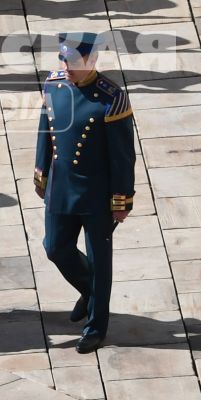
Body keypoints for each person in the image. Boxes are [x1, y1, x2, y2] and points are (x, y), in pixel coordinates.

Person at [33, 33, 138, 353]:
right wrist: (41, 174)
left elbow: (123, 156)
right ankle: (91, 292)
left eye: (73, 62)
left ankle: (96, 325)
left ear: (92, 62)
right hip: (62, 187)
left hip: (96, 194)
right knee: (55, 247)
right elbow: (45, 130)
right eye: (63, 59)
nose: (65, 66)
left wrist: (122, 199)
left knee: (99, 259)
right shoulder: (53, 84)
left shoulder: (111, 98)